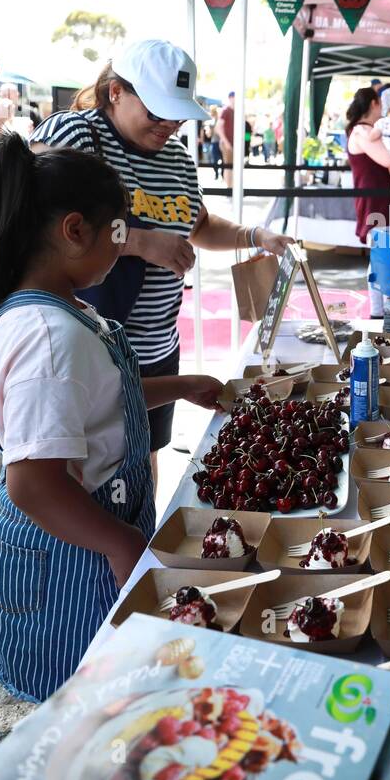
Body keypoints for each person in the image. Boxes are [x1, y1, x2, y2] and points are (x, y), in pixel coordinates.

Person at [0, 133, 223, 701]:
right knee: (83, 697)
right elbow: (33, 484)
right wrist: (120, 544)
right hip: (65, 554)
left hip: (86, 537)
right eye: (118, 231)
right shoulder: (48, 337)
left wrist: (182, 386)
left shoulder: (68, 312)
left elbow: (99, 398)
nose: (124, 246)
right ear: (74, 230)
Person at [31, 42, 291, 481]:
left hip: (155, 347)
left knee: (143, 461)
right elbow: (33, 219)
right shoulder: (75, 135)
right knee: (85, 469)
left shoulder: (177, 159)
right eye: (156, 112)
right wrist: (135, 240)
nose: (169, 124)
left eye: (177, 114)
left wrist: (255, 236)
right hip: (86, 345)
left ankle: (139, 539)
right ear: (116, 92)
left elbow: (199, 225)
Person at [345, 86, 390, 319]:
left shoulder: (367, 131)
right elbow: (388, 159)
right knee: (381, 256)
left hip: (382, 198)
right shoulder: (361, 132)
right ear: (374, 103)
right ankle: (379, 311)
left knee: (385, 255)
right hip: (375, 200)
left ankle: (383, 309)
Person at [216, 91, 236, 186]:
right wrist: (226, 142)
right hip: (226, 143)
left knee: (232, 167)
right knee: (228, 166)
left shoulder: (235, 111)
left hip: (233, 143)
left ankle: (232, 187)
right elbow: (218, 127)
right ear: (230, 98)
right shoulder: (226, 110)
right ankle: (229, 189)